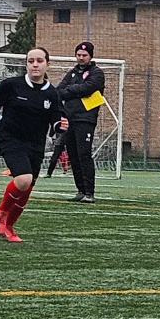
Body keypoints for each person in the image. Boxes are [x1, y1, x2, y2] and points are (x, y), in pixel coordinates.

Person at [0, 47, 67, 243]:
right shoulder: (12, 85)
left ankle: (10, 227)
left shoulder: (52, 93)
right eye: (31, 61)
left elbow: (55, 120)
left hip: (36, 144)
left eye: (39, 61)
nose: (35, 65)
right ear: (26, 64)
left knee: (27, 189)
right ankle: (1, 211)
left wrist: (60, 126)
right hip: (11, 138)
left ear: (47, 64)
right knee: (23, 180)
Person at [55, 41, 105, 203]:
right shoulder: (72, 73)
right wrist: (74, 91)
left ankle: (89, 192)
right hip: (70, 118)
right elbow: (59, 90)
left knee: (84, 154)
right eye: (78, 55)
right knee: (73, 155)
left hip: (86, 119)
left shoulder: (97, 73)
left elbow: (87, 88)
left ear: (90, 56)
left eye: (84, 55)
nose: (81, 58)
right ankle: (80, 190)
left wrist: (71, 90)